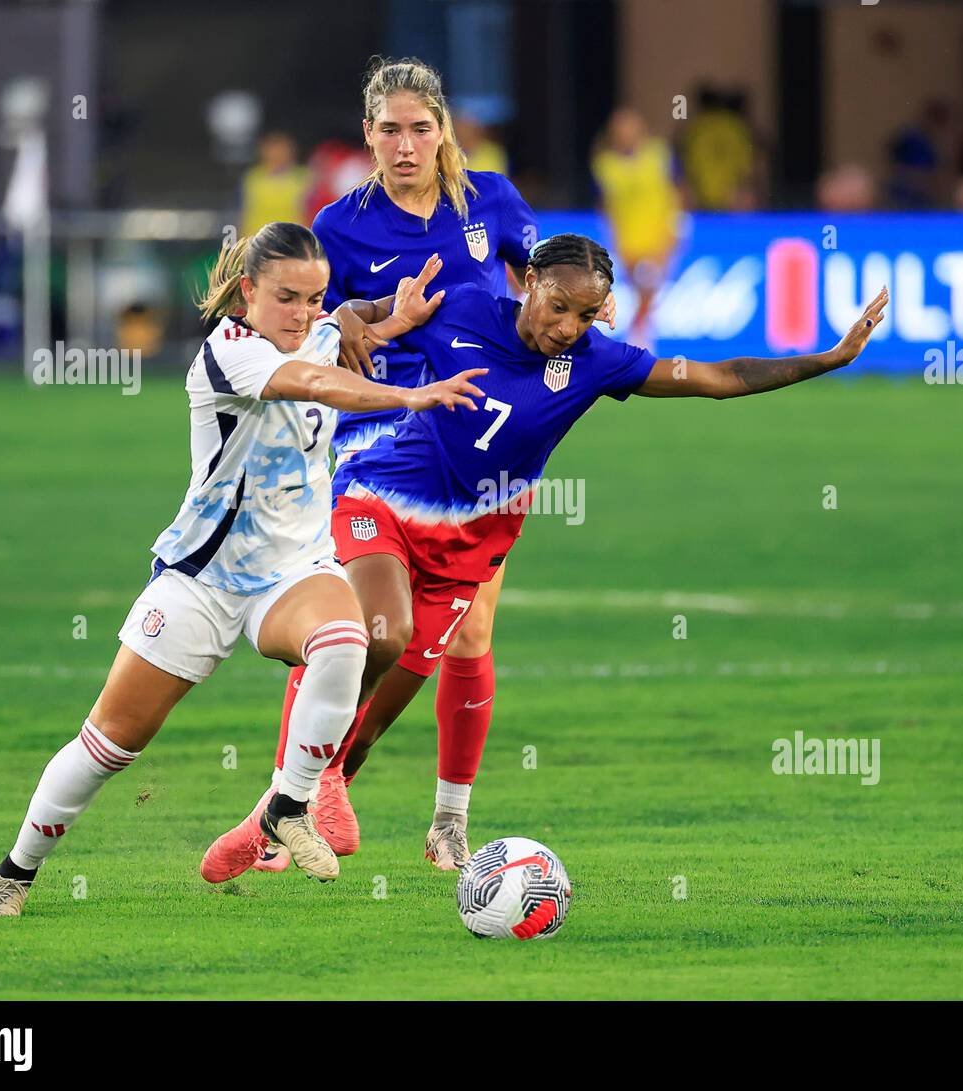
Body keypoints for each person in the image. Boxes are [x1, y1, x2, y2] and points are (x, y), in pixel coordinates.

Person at [201, 233, 888, 879]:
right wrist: (352, 315)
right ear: (529, 282)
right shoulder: (465, 303)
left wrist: (827, 359)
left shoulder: (597, 362)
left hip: (470, 545)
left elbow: (716, 377)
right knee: (380, 633)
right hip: (377, 496)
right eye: (558, 306)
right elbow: (361, 313)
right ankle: (310, 784)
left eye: (585, 314)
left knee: (368, 726)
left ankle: (267, 822)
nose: (566, 326)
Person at [0, 223, 484, 916]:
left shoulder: (316, 329)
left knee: (345, 642)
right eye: (285, 298)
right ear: (247, 292)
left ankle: (289, 804)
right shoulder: (228, 353)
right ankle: (15, 870)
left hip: (293, 572)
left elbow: (342, 322)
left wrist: (387, 313)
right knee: (108, 745)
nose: (301, 313)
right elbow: (313, 381)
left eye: (312, 297)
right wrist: (408, 396)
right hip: (203, 579)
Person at [235, 57, 604, 874]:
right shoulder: (336, 224)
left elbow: (548, 279)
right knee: (369, 631)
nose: (406, 146)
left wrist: (588, 308)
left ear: (445, 132)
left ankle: (436, 818)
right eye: (390, 130)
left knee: (465, 632)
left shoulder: (492, 202)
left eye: (421, 129)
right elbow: (302, 321)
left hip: (483, 443)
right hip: (378, 438)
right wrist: (350, 321)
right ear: (368, 135)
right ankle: (294, 800)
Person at [591, 107, 682, 350]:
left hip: (660, 237)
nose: (626, 134)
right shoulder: (605, 165)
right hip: (628, 243)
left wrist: (675, 230)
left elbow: (678, 191)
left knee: (648, 286)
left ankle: (637, 340)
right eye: (620, 129)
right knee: (642, 291)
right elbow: (605, 207)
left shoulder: (659, 155)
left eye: (630, 127)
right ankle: (640, 338)